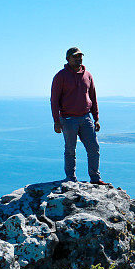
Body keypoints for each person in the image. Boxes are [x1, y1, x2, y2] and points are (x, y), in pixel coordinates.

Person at [50, 47, 110, 185]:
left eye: (80, 56)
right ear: (68, 59)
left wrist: (96, 118)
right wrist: (56, 121)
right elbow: (54, 100)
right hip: (68, 119)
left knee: (94, 148)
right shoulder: (61, 76)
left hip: (86, 118)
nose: (78, 59)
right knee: (70, 150)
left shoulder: (87, 75)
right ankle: (70, 178)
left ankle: (95, 178)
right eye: (75, 56)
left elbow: (93, 97)